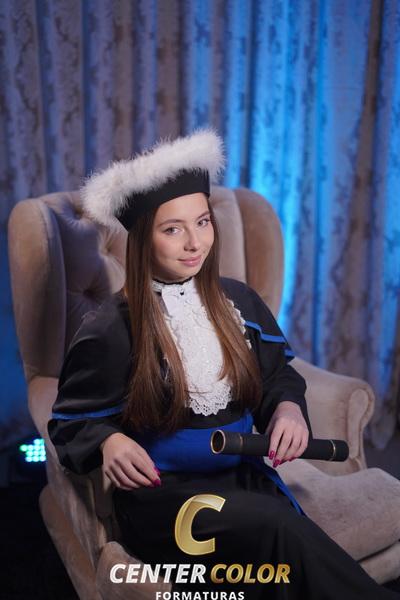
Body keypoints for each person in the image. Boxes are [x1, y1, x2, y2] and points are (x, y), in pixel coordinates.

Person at [48, 129, 398, 599]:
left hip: (245, 475)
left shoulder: (240, 302)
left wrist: (288, 411)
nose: (195, 243)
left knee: (281, 555)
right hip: (167, 499)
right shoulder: (110, 328)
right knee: (278, 529)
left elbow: (278, 376)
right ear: (143, 239)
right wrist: (109, 441)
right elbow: (68, 422)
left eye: (203, 222)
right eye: (173, 229)